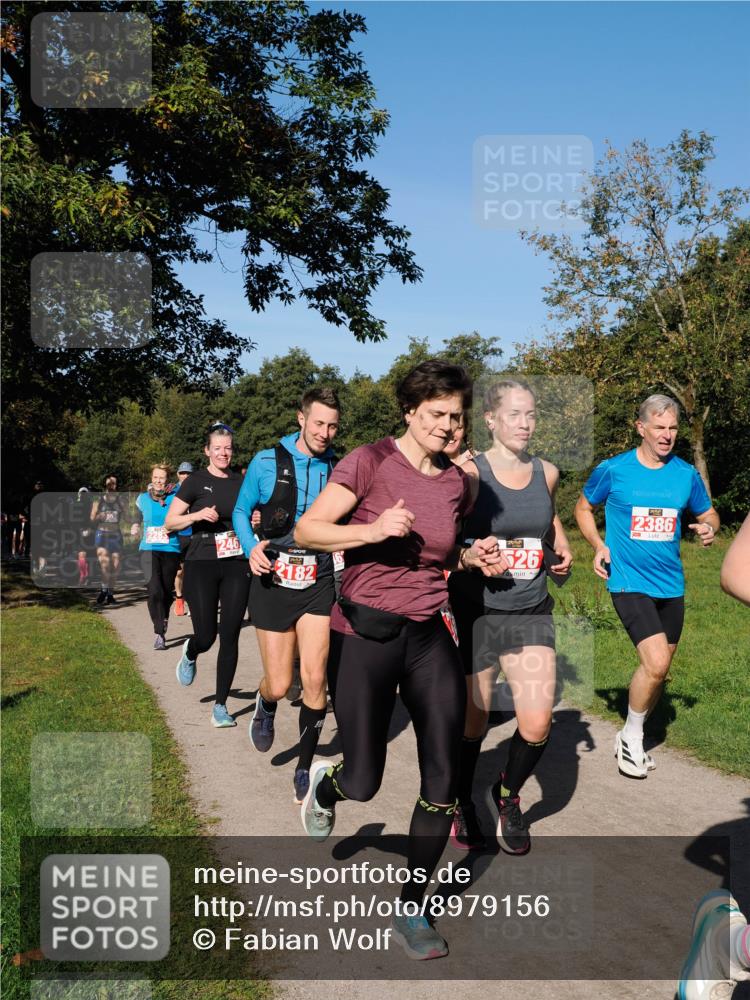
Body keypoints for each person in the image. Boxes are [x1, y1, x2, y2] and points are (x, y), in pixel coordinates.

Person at [294, 360, 505, 961]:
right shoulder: (367, 461)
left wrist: (471, 559)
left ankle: (413, 906)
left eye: (456, 417)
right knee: (365, 779)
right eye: (436, 414)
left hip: (429, 633)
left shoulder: (457, 484)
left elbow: (438, 557)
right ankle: (328, 788)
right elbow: (309, 531)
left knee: (442, 777)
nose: (447, 426)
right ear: (409, 412)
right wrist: (373, 530)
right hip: (365, 633)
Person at [447, 379, 573, 855]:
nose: (524, 424)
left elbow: (546, 521)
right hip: (478, 611)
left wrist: (558, 548)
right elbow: (442, 535)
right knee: (474, 721)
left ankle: (507, 794)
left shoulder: (548, 471)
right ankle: (460, 798)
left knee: (537, 724)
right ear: (491, 420)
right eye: (515, 415)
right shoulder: (469, 474)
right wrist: (469, 554)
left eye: (531, 415)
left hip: (531, 610)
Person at [575, 394, 719, 779]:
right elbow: (583, 507)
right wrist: (598, 545)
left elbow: (709, 513)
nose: (667, 435)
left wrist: (709, 528)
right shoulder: (614, 470)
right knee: (656, 664)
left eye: (673, 428)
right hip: (628, 580)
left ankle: (629, 729)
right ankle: (632, 738)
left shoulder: (686, 475)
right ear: (641, 428)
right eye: (660, 427)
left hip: (671, 585)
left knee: (659, 668)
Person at [233, 387, 341, 804]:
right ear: (301, 419)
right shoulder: (266, 461)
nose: (325, 432)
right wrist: (251, 547)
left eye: (332, 425)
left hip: (319, 578)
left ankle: (304, 766)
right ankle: (265, 702)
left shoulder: (339, 467)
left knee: (315, 679)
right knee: (280, 683)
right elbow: (242, 512)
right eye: (319, 423)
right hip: (274, 578)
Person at [165, 423, 249, 728]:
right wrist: (197, 515)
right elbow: (170, 521)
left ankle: (221, 706)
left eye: (228, 448)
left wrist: (255, 517)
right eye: (217, 448)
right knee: (206, 635)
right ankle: (191, 649)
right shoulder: (196, 481)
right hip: (201, 561)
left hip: (236, 561)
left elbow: (254, 513)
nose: (223, 453)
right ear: (207, 451)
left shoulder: (242, 482)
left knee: (230, 634)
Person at [133, 465, 182, 650]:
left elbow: (183, 520)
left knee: (165, 590)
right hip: (148, 548)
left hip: (170, 548)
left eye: (162, 478)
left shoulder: (176, 498)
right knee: (154, 590)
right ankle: (159, 632)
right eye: (155, 477)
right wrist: (135, 526)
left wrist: (173, 526)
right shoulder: (142, 499)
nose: (158, 481)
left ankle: (164, 618)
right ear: (151, 478)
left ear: (167, 479)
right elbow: (136, 517)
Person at [90, 475, 128, 604]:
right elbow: (91, 518)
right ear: (105, 485)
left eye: (114, 483)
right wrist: (100, 515)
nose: (111, 485)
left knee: (115, 566)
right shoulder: (99, 500)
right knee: (105, 565)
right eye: (109, 483)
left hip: (116, 535)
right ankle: (103, 590)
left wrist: (133, 522)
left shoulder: (120, 500)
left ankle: (110, 594)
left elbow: (128, 518)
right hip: (102, 535)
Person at [173, 462, 194, 617]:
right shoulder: (172, 490)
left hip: (194, 534)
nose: (185, 476)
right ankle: (179, 598)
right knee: (179, 571)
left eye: (188, 473)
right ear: (178, 474)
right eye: (182, 473)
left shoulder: (197, 488)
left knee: (193, 570)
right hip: (178, 534)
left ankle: (193, 602)